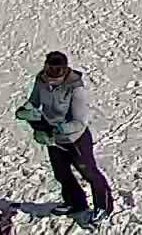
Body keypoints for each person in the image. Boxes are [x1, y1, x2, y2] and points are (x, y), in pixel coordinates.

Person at [17, 51, 110, 217]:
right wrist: (25, 110)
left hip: (74, 138)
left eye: (58, 69)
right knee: (61, 173)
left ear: (65, 69)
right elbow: (34, 101)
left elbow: (79, 121)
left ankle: (103, 207)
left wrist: (58, 129)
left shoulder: (75, 88)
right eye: (50, 68)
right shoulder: (42, 80)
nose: (53, 73)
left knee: (89, 173)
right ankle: (75, 203)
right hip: (53, 138)